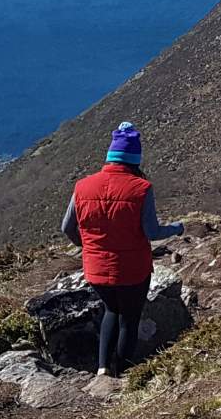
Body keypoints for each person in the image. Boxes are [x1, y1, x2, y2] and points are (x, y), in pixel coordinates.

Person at [61, 121, 184, 376]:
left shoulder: (83, 186)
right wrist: (177, 228)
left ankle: (103, 368)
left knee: (111, 310)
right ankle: (125, 372)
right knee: (129, 318)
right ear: (135, 159)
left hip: (95, 269)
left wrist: (88, 248)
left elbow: (67, 227)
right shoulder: (141, 189)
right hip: (132, 270)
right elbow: (152, 232)